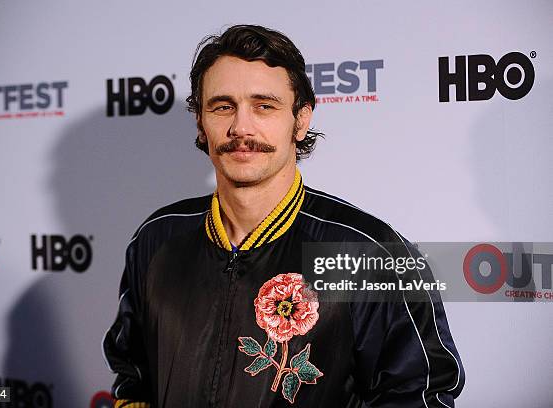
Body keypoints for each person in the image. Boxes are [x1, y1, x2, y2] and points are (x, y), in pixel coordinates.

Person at [102, 24, 464, 407]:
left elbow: (420, 394)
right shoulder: (158, 239)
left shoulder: (365, 252)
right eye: (223, 106)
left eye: (264, 106)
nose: (241, 127)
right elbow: (132, 376)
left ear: (301, 119)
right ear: (200, 123)